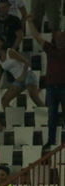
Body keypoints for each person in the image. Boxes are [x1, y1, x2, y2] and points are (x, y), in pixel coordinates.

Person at [27, 16, 65, 151]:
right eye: (58, 36)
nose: (60, 39)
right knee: (51, 116)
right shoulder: (50, 48)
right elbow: (36, 36)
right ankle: (51, 140)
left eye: (62, 36)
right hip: (51, 86)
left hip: (63, 86)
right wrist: (30, 22)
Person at [0, 35, 45, 109]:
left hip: (27, 74)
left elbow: (26, 62)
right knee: (4, 100)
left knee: (35, 98)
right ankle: (12, 118)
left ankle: (49, 115)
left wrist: (22, 75)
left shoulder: (10, 52)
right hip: (18, 79)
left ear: (2, 43)